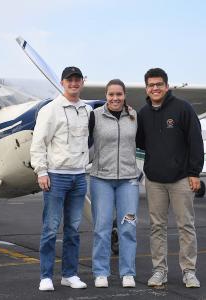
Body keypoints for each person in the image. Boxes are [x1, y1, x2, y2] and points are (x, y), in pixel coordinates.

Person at [136, 68, 204, 288]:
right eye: (151, 85)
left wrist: (194, 172)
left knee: (186, 225)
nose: (155, 88)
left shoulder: (183, 109)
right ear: (146, 88)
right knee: (157, 226)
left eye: (159, 84)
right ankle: (159, 270)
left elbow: (195, 140)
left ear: (167, 86)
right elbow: (140, 143)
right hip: (154, 180)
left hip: (181, 179)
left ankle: (189, 271)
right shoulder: (143, 114)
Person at [30, 66, 92, 292]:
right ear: (62, 82)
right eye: (69, 80)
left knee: (73, 230)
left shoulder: (87, 110)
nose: (73, 83)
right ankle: (46, 276)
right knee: (50, 228)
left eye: (77, 80)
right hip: (56, 177)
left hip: (79, 177)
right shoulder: (51, 109)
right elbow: (38, 143)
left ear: (82, 82)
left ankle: (69, 274)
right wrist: (41, 171)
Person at [89, 79, 140, 288]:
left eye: (119, 94)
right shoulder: (94, 116)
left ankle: (128, 272)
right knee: (101, 228)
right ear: (106, 95)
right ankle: (101, 272)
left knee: (128, 227)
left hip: (128, 180)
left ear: (125, 95)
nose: (115, 98)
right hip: (101, 179)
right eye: (111, 94)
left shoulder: (134, 116)